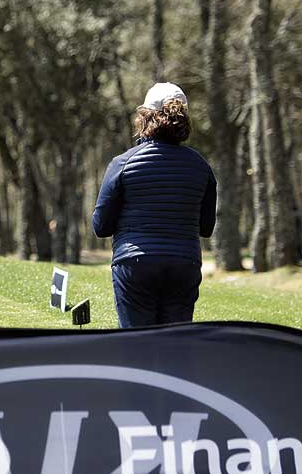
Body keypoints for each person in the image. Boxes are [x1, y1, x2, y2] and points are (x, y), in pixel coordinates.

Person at [92, 82, 217, 328]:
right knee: (176, 345)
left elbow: (101, 226)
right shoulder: (201, 167)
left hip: (135, 266)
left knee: (136, 345)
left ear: (144, 117)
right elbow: (206, 227)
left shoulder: (123, 163)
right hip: (184, 264)